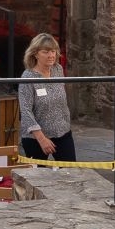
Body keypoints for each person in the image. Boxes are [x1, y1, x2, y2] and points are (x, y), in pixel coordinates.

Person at [17, 33, 75, 162]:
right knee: (38, 173)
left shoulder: (58, 70)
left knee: (71, 171)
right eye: (46, 52)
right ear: (35, 54)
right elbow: (25, 111)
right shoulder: (28, 77)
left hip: (62, 132)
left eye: (53, 51)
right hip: (36, 138)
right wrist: (42, 139)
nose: (51, 55)